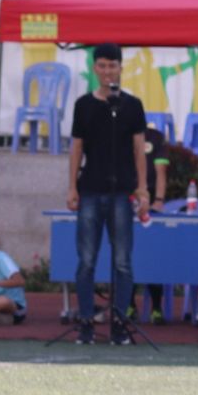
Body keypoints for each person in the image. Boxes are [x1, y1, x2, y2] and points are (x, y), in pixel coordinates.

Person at [66, 43, 149, 346]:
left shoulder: (132, 105)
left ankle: (119, 322)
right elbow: (76, 147)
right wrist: (72, 185)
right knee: (86, 260)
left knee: (123, 261)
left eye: (112, 66)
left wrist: (143, 187)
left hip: (122, 191)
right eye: (101, 66)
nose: (107, 71)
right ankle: (86, 321)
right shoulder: (84, 105)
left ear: (120, 68)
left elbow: (139, 149)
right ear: (94, 68)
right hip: (90, 189)